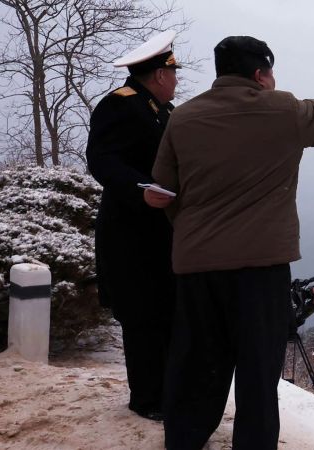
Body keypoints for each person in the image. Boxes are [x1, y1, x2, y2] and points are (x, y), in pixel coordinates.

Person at [148, 35, 314, 449]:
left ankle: (184, 439)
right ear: (260, 74)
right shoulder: (283, 111)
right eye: (271, 73)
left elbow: (164, 190)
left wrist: (190, 232)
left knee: (198, 361)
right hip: (261, 269)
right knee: (258, 370)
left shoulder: (182, 118)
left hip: (198, 267)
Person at [85, 30, 181, 422]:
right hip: (129, 232)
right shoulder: (119, 106)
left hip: (164, 232)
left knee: (167, 312)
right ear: (159, 75)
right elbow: (101, 159)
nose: (177, 81)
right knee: (142, 315)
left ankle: (168, 392)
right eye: (173, 74)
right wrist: (139, 191)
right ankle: (147, 400)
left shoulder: (166, 112)